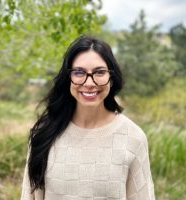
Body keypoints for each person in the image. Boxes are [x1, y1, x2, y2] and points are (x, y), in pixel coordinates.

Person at [21, 35, 155, 200]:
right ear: (68, 78)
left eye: (99, 72)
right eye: (79, 72)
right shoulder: (43, 134)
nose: (89, 82)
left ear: (111, 79)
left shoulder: (133, 137)